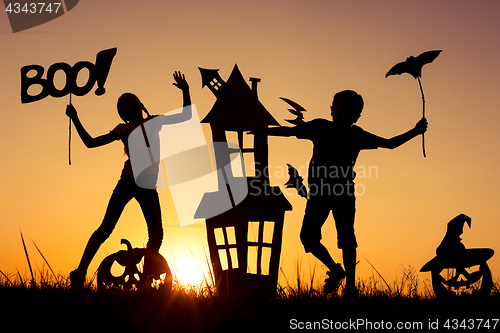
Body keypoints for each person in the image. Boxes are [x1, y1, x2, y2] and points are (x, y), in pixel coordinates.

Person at [253, 90, 427, 296]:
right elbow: (290, 131)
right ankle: (335, 270)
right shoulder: (319, 126)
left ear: (357, 117)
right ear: (332, 111)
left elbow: (389, 144)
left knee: (346, 238)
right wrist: (262, 131)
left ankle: (351, 287)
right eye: (340, 112)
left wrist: (415, 132)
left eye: (350, 114)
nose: (344, 118)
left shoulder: (357, 135)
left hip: (343, 192)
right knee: (308, 237)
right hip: (319, 193)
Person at [67, 71, 191, 289]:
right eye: (125, 104)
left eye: (133, 101)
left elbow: (185, 117)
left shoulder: (154, 121)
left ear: (141, 105)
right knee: (105, 228)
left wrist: (186, 91)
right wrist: (75, 118)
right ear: (121, 113)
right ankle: (79, 272)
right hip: (127, 183)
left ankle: (145, 278)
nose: (131, 105)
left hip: (148, 186)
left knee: (157, 234)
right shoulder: (123, 129)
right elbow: (90, 142)